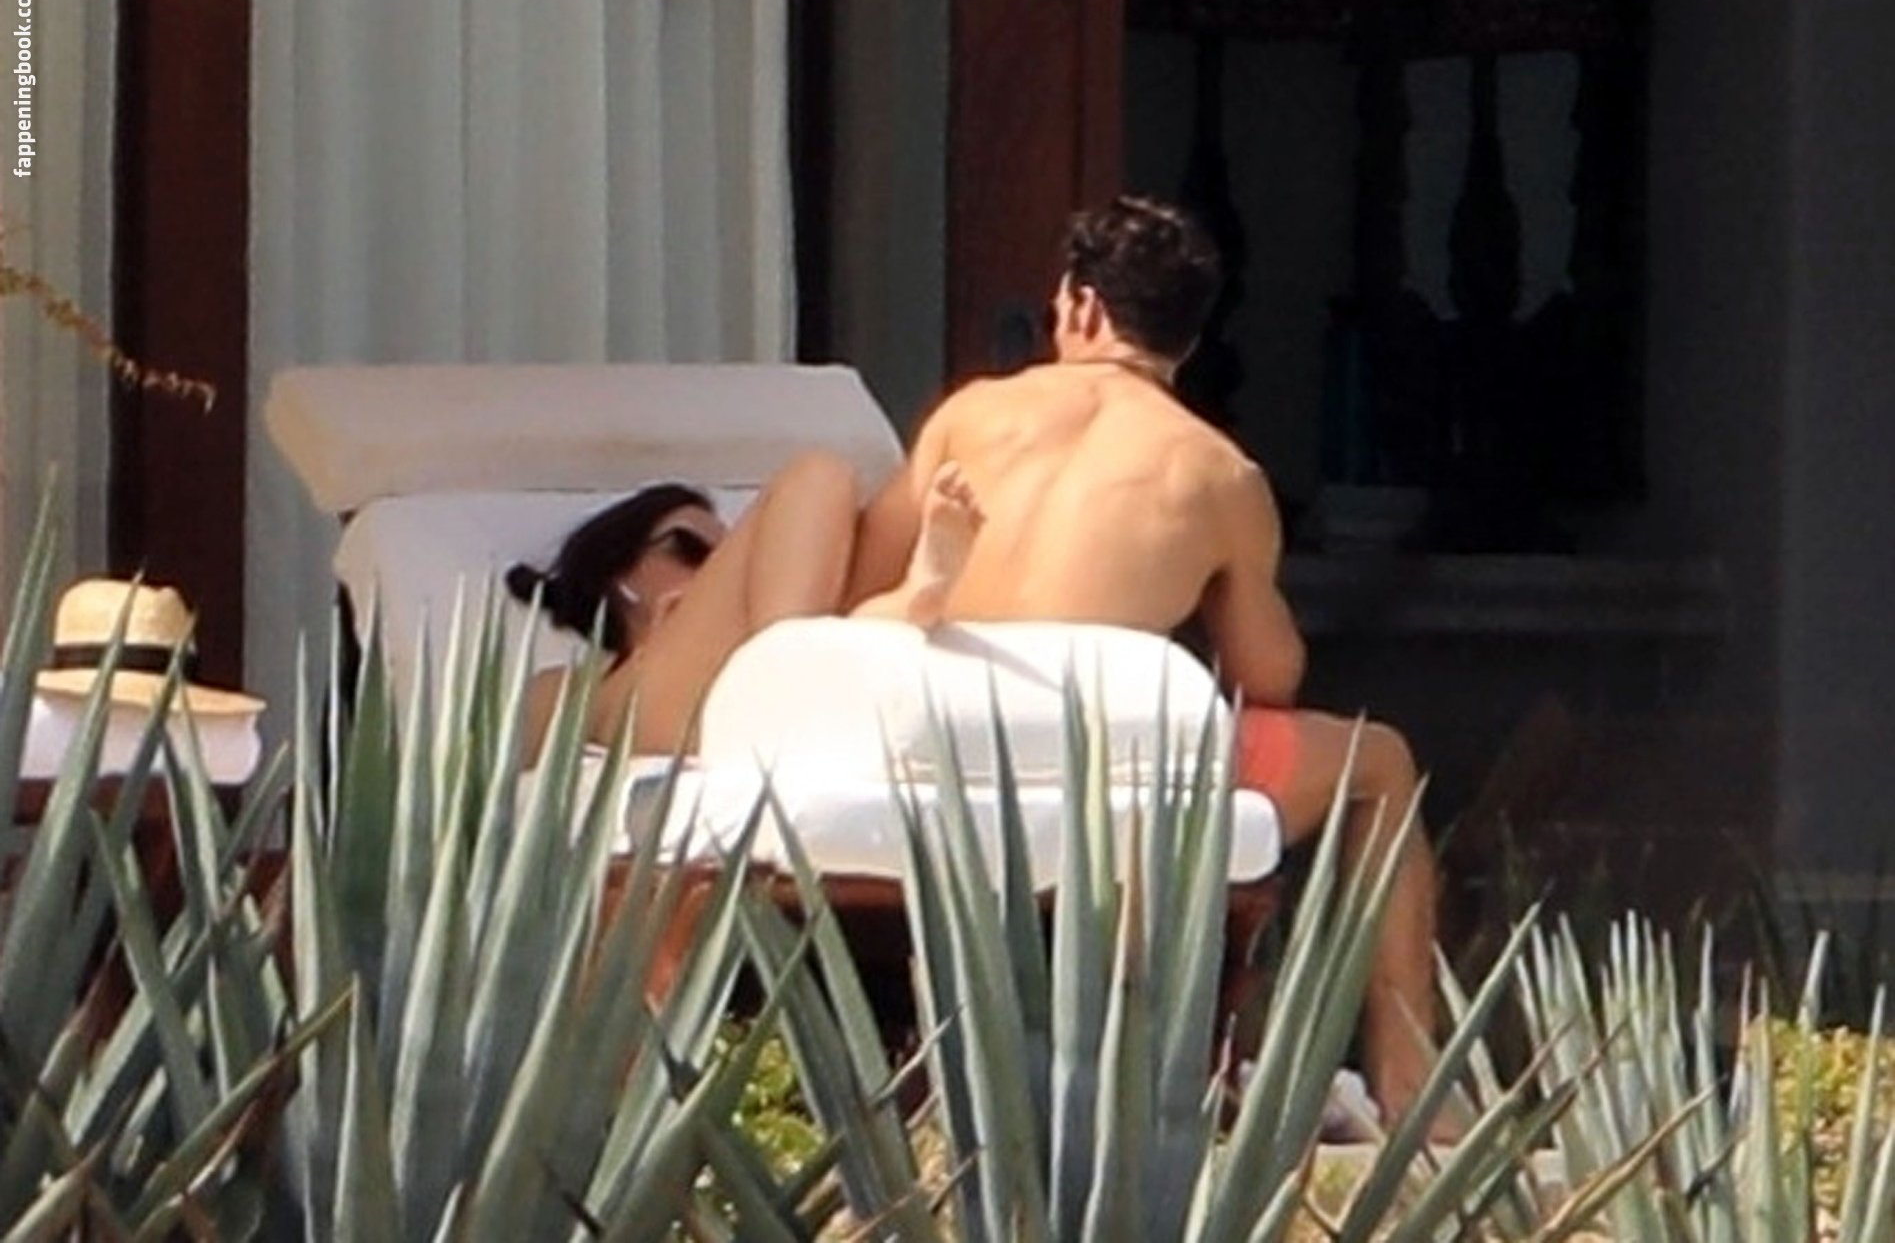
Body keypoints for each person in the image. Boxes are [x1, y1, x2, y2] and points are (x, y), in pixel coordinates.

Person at [842, 194, 1440, 1125]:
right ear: (1188, 338)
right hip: (1116, 779)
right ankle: (1410, 1081)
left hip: (940, 752)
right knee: (1380, 762)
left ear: (1080, 306)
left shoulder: (970, 416)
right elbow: (1267, 677)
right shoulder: (1219, 473)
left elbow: (860, 592)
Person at [509, 461, 983, 762]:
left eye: (728, 555)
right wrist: (657, 642)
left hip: (769, 675)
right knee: (817, 474)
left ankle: (908, 599)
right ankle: (796, 660)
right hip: (655, 717)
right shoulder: (575, 684)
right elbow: (521, 758)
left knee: (914, 486)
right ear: (617, 571)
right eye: (691, 550)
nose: (716, 570)